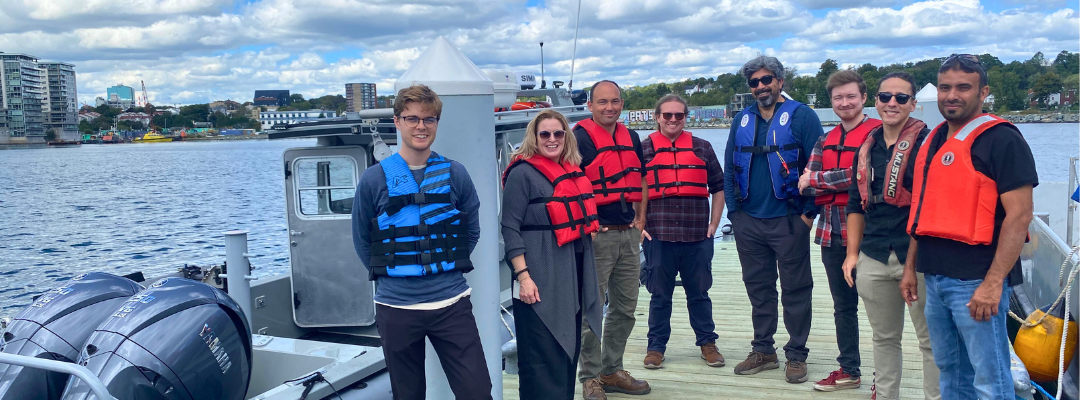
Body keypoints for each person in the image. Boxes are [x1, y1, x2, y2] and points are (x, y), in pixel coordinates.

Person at [906, 54, 1037, 399]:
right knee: (951, 370)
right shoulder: (933, 139)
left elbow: (1020, 215)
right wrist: (910, 269)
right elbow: (924, 213)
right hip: (934, 277)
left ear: (983, 93)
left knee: (990, 378)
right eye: (945, 87)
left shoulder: (1003, 140)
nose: (952, 95)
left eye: (963, 87)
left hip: (976, 280)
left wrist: (994, 284)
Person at [350, 84, 491, 400]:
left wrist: (443, 265)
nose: (421, 126)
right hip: (395, 307)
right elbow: (361, 239)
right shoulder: (374, 179)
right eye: (411, 118)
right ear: (397, 122)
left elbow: (471, 231)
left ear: (437, 123)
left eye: (429, 119)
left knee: (477, 391)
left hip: (450, 303)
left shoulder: (456, 174)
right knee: (408, 394)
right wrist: (394, 273)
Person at [724, 55, 824, 384]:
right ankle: (763, 350)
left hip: (789, 218)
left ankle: (796, 354)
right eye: (754, 82)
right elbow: (729, 170)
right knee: (759, 288)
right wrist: (734, 213)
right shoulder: (741, 119)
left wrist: (808, 216)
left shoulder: (803, 117)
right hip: (748, 221)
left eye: (767, 80)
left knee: (796, 288)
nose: (761, 86)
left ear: (780, 82)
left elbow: (817, 168)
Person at [846, 72, 941, 400]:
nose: (892, 103)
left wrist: (913, 265)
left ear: (914, 104)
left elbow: (930, 208)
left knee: (931, 341)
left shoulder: (930, 144)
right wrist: (851, 254)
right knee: (884, 339)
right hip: (873, 253)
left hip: (917, 257)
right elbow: (854, 203)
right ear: (876, 101)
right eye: (886, 97)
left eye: (901, 98)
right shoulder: (867, 145)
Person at [501, 109, 605, 400]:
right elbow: (509, 228)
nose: (552, 139)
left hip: (569, 274)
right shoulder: (522, 173)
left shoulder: (571, 170)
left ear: (566, 137)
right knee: (541, 355)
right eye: (544, 133)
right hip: (538, 277)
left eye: (558, 133)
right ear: (534, 137)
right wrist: (524, 277)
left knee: (566, 352)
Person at [798, 70, 879, 392]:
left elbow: (868, 175)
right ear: (831, 102)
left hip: (871, 234)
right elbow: (804, 186)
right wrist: (825, 180)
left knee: (878, 307)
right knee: (843, 306)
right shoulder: (824, 140)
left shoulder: (877, 135)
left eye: (850, 96)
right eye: (838, 98)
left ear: (863, 98)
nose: (845, 103)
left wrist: (817, 180)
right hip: (831, 233)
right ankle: (849, 369)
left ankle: (882, 376)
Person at [574, 80, 651, 400]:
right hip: (597, 238)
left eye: (615, 101)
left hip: (628, 234)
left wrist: (641, 217)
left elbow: (642, 178)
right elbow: (570, 185)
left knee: (625, 308)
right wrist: (586, 223)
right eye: (602, 102)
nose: (610, 107)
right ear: (590, 105)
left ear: (622, 104)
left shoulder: (631, 135)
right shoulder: (578, 138)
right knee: (592, 309)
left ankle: (612, 369)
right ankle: (589, 377)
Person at [640, 94, 726, 371]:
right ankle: (655, 348)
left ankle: (707, 343)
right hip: (658, 235)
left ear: (686, 117)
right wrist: (638, 225)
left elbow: (719, 187)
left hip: (697, 235)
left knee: (699, 293)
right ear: (657, 117)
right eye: (667, 115)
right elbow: (631, 190)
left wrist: (714, 223)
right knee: (659, 295)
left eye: (679, 115)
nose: (673, 120)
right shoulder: (644, 150)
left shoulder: (703, 147)